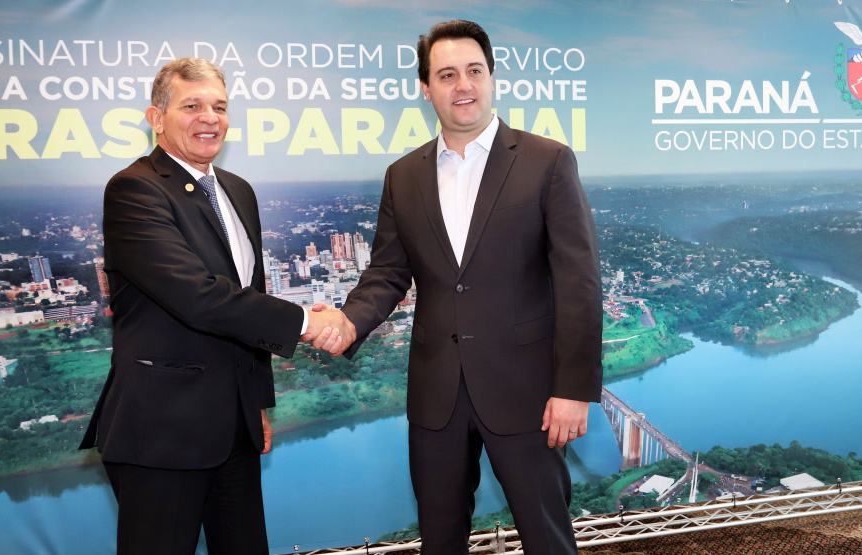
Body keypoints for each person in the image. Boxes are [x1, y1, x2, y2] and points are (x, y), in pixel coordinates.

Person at [318, 20, 603, 555]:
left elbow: (579, 283)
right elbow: (387, 272)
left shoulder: (548, 161)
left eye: (474, 71)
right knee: (440, 541)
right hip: (436, 394)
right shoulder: (403, 175)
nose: (463, 85)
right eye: (447, 74)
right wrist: (348, 320)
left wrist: (574, 388)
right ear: (426, 89)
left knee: (548, 539)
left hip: (529, 394)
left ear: (492, 78)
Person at [79, 57, 347, 555]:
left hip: (233, 429)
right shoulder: (134, 189)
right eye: (192, 105)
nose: (210, 117)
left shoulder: (238, 191)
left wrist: (257, 404)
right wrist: (309, 322)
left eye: (220, 106)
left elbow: (251, 296)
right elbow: (199, 298)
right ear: (156, 118)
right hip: (162, 431)